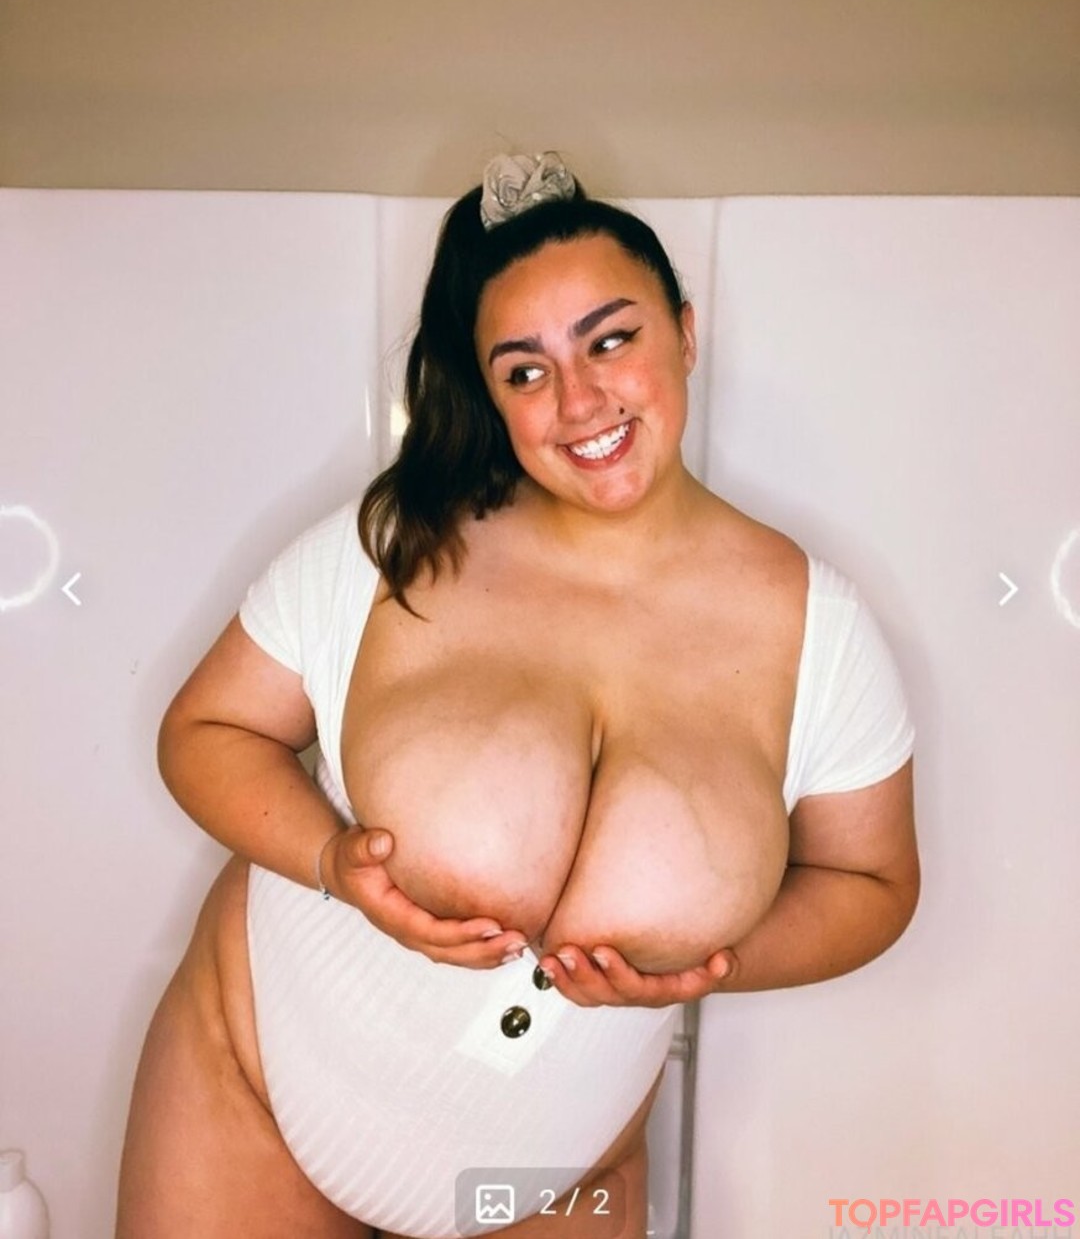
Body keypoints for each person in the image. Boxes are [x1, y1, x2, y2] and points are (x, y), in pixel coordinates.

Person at [116, 152, 918, 1239]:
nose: (579, 400)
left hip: (558, 1175)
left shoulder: (820, 626)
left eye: (611, 339)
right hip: (251, 1079)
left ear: (685, 332)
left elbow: (874, 881)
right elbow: (205, 729)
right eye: (526, 370)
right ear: (493, 396)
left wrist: (715, 965)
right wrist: (331, 863)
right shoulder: (397, 544)